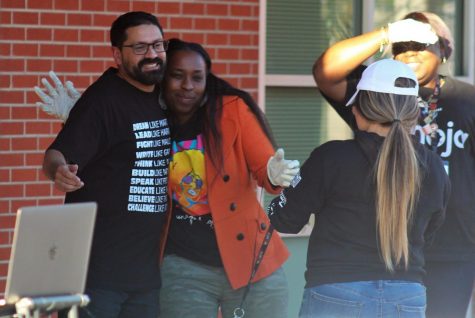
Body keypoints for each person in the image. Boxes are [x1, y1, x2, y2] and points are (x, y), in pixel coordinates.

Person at [36, 37, 299, 317]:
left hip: (251, 262)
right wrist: (78, 116)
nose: (188, 86)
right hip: (184, 266)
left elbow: (265, 166)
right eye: (177, 76)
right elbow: (113, 153)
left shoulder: (230, 110)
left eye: (197, 78)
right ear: (162, 77)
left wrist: (274, 175)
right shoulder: (150, 115)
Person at [313, 11, 475, 318]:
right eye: (402, 44)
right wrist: (386, 33)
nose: (411, 50)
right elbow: (326, 72)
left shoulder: (468, 100)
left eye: (422, 42)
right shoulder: (375, 95)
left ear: (444, 49)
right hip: (379, 253)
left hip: (452, 251)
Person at [268, 58, 450, 317]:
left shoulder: (331, 158)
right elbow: (430, 233)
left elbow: (283, 221)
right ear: (414, 112)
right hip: (407, 297)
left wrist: (276, 184)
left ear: (359, 109)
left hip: (336, 294)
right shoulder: (433, 166)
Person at [41, 11, 170, 318]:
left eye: (158, 45)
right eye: (140, 48)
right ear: (117, 54)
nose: (152, 54)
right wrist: (59, 172)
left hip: (146, 278)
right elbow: (55, 155)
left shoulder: (168, 97)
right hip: (94, 278)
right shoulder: (101, 102)